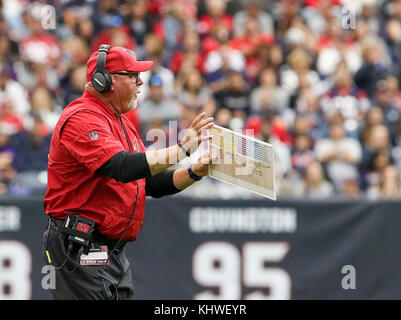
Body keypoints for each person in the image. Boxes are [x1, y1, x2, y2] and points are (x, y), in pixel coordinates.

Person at [42, 45, 214, 300]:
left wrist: (193, 171)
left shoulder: (120, 121)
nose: (140, 82)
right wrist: (181, 149)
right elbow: (121, 167)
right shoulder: (81, 117)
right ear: (106, 81)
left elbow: (149, 182)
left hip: (110, 251)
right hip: (79, 246)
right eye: (132, 76)